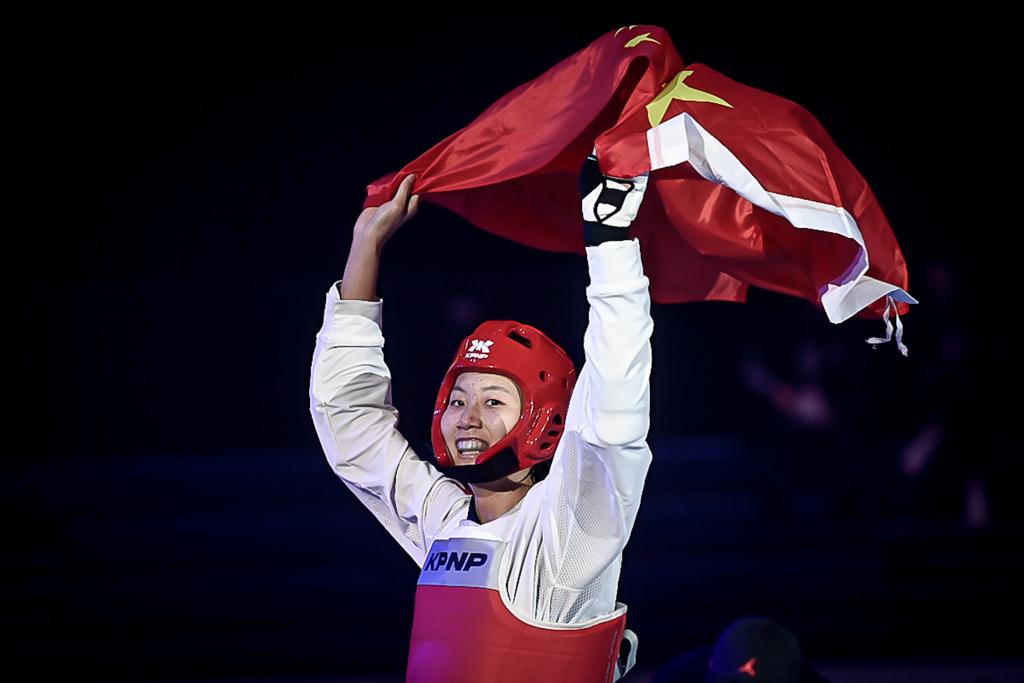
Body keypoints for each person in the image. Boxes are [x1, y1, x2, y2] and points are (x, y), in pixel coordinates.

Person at [308, 148, 654, 682]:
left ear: (545, 421)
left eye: (494, 401)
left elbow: (612, 408)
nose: (466, 417)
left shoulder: (572, 529)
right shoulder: (446, 524)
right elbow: (350, 421)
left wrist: (610, 244)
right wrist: (365, 246)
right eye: (459, 399)